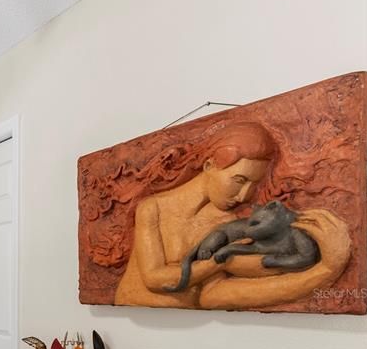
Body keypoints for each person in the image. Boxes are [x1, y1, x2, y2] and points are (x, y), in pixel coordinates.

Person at [115, 122, 351, 309]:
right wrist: (220, 261)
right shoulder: (152, 208)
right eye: (239, 180)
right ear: (209, 166)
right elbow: (156, 279)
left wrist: (325, 270)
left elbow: (213, 295)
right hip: (131, 319)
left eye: (253, 184)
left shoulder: (226, 224)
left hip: (187, 331)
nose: (245, 195)